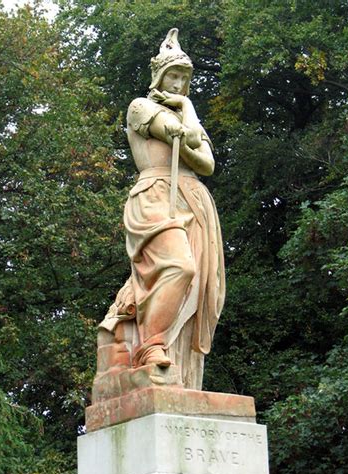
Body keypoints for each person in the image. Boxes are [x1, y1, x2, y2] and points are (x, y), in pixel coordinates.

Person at [99, 28, 225, 390]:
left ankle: (179, 373)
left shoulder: (185, 111)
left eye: (185, 78)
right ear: (158, 76)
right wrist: (186, 126)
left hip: (194, 201)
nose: (178, 83)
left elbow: (206, 164)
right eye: (173, 75)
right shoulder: (141, 106)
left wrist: (187, 109)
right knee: (178, 267)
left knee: (197, 292)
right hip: (157, 195)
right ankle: (150, 347)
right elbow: (179, 136)